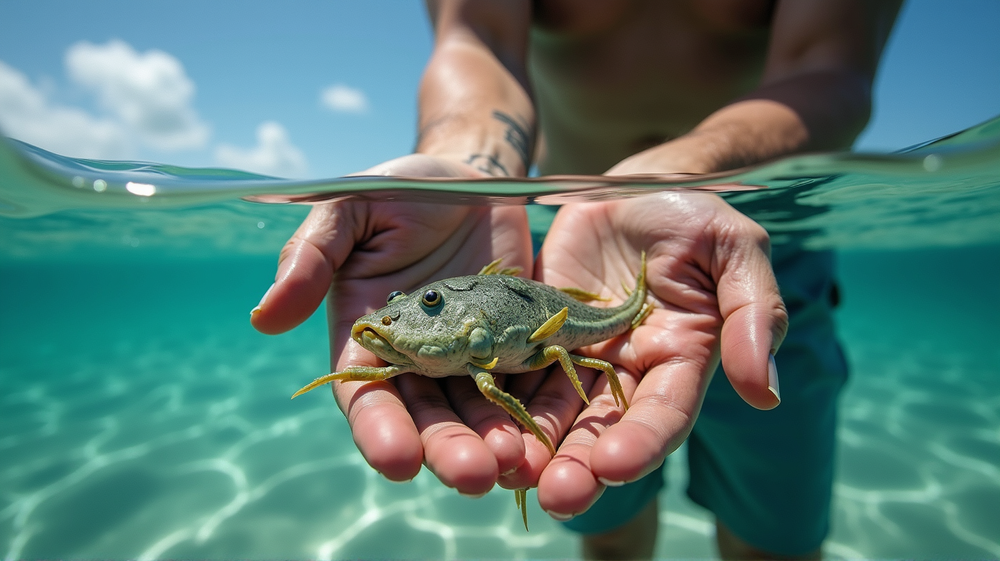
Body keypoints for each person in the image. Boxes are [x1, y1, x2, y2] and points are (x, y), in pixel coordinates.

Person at [251, 0, 900, 558]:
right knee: (608, 535)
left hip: (759, 241)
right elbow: (478, 43)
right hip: (557, 245)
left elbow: (830, 67)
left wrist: (676, 176)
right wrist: (466, 170)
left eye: (428, 303)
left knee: (773, 546)